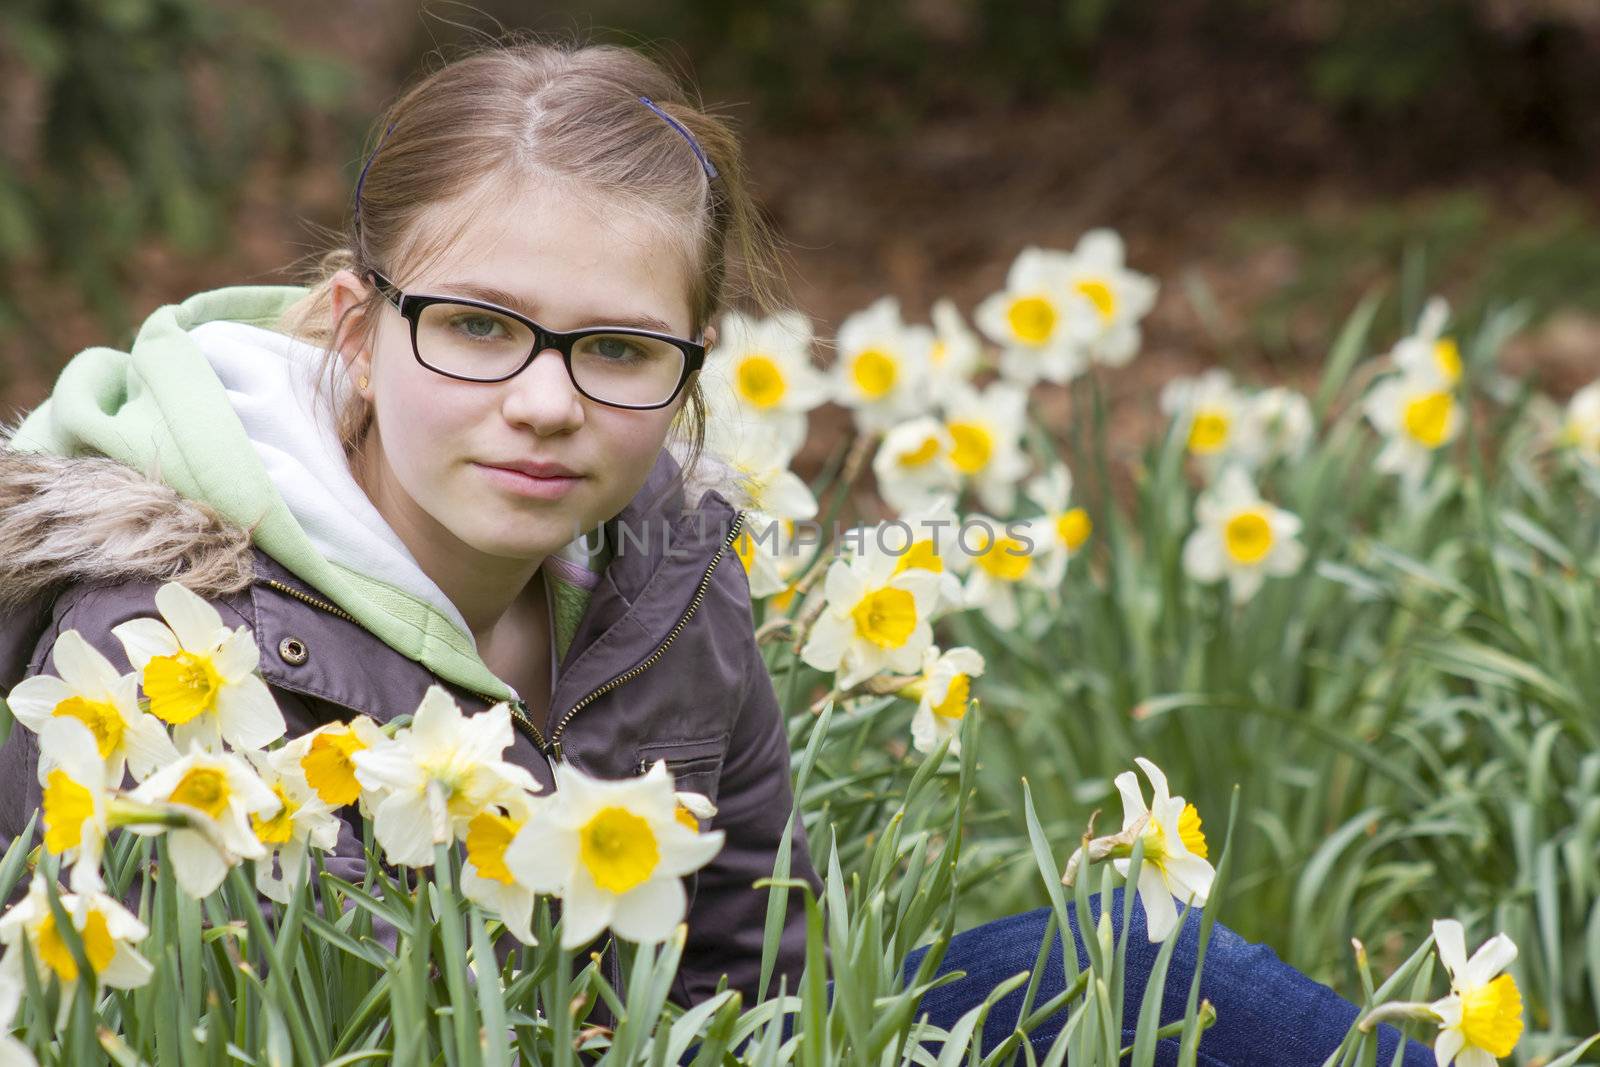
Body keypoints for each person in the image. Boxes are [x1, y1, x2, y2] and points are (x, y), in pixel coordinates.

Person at [0, 38, 1431, 1065]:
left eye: (619, 348)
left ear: (690, 369)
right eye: (481, 326)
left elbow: (765, 984)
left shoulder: (667, 578)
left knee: (1147, 963)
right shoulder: (153, 649)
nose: (548, 402)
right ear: (356, 331)